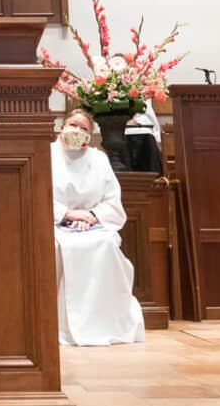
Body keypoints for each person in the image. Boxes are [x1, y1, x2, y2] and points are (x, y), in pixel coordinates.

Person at [51, 108, 145, 346]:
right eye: (72, 125)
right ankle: (59, 324)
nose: (77, 130)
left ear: (90, 135)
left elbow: (112, 202)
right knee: (56, 247)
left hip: (94, 225)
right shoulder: (46, 154)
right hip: (57, 224)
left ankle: (103, 323)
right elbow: (38, 194)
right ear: (62, 127)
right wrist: (67, 214)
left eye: (84, 128)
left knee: (106, 246)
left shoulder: (99, 160)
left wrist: (91, 215)